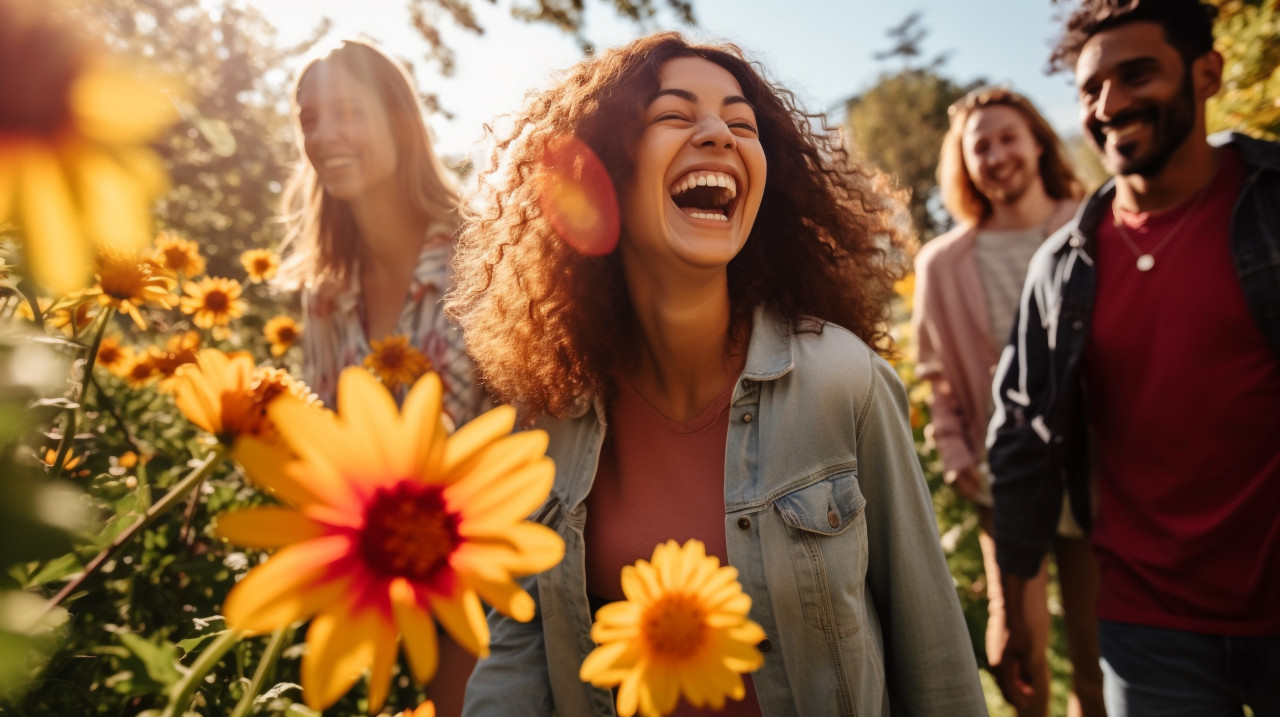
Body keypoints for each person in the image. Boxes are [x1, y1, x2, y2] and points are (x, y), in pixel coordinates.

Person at [449, 31, 987, 716]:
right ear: (604, 172)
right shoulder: (545, 414)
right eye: (674, 115)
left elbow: (934, 654)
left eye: (742, 123)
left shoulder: (844, 381)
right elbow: (518, 653)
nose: (719, 135)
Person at [988, 1, 1280, 715]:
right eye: (1090, 89)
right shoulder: (1062, 269)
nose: (1109, 105)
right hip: (1148, 627)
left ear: (1206, 74)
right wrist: (1009, 602)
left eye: (1137, 74)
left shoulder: (1273, 208)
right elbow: (1021, 440)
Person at [276, 39, 490, 716]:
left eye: (346, 112)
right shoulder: (323, 290)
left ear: (400, 122)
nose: (323, 134)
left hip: (494, 563)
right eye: (310, 118)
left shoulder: (484, 257)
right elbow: (322, 445)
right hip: (379, 569)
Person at [915, 86, 1104, 717]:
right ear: (964, 164)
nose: (996, 156)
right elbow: (936, 374)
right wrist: (954, 448)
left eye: (1007, 138)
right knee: (1017, 647)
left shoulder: (1093, 227)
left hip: (1094, 474)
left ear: (1037, 143)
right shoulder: (942, 263)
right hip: (1004, 475)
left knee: (1096, 647)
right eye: (980, 147)